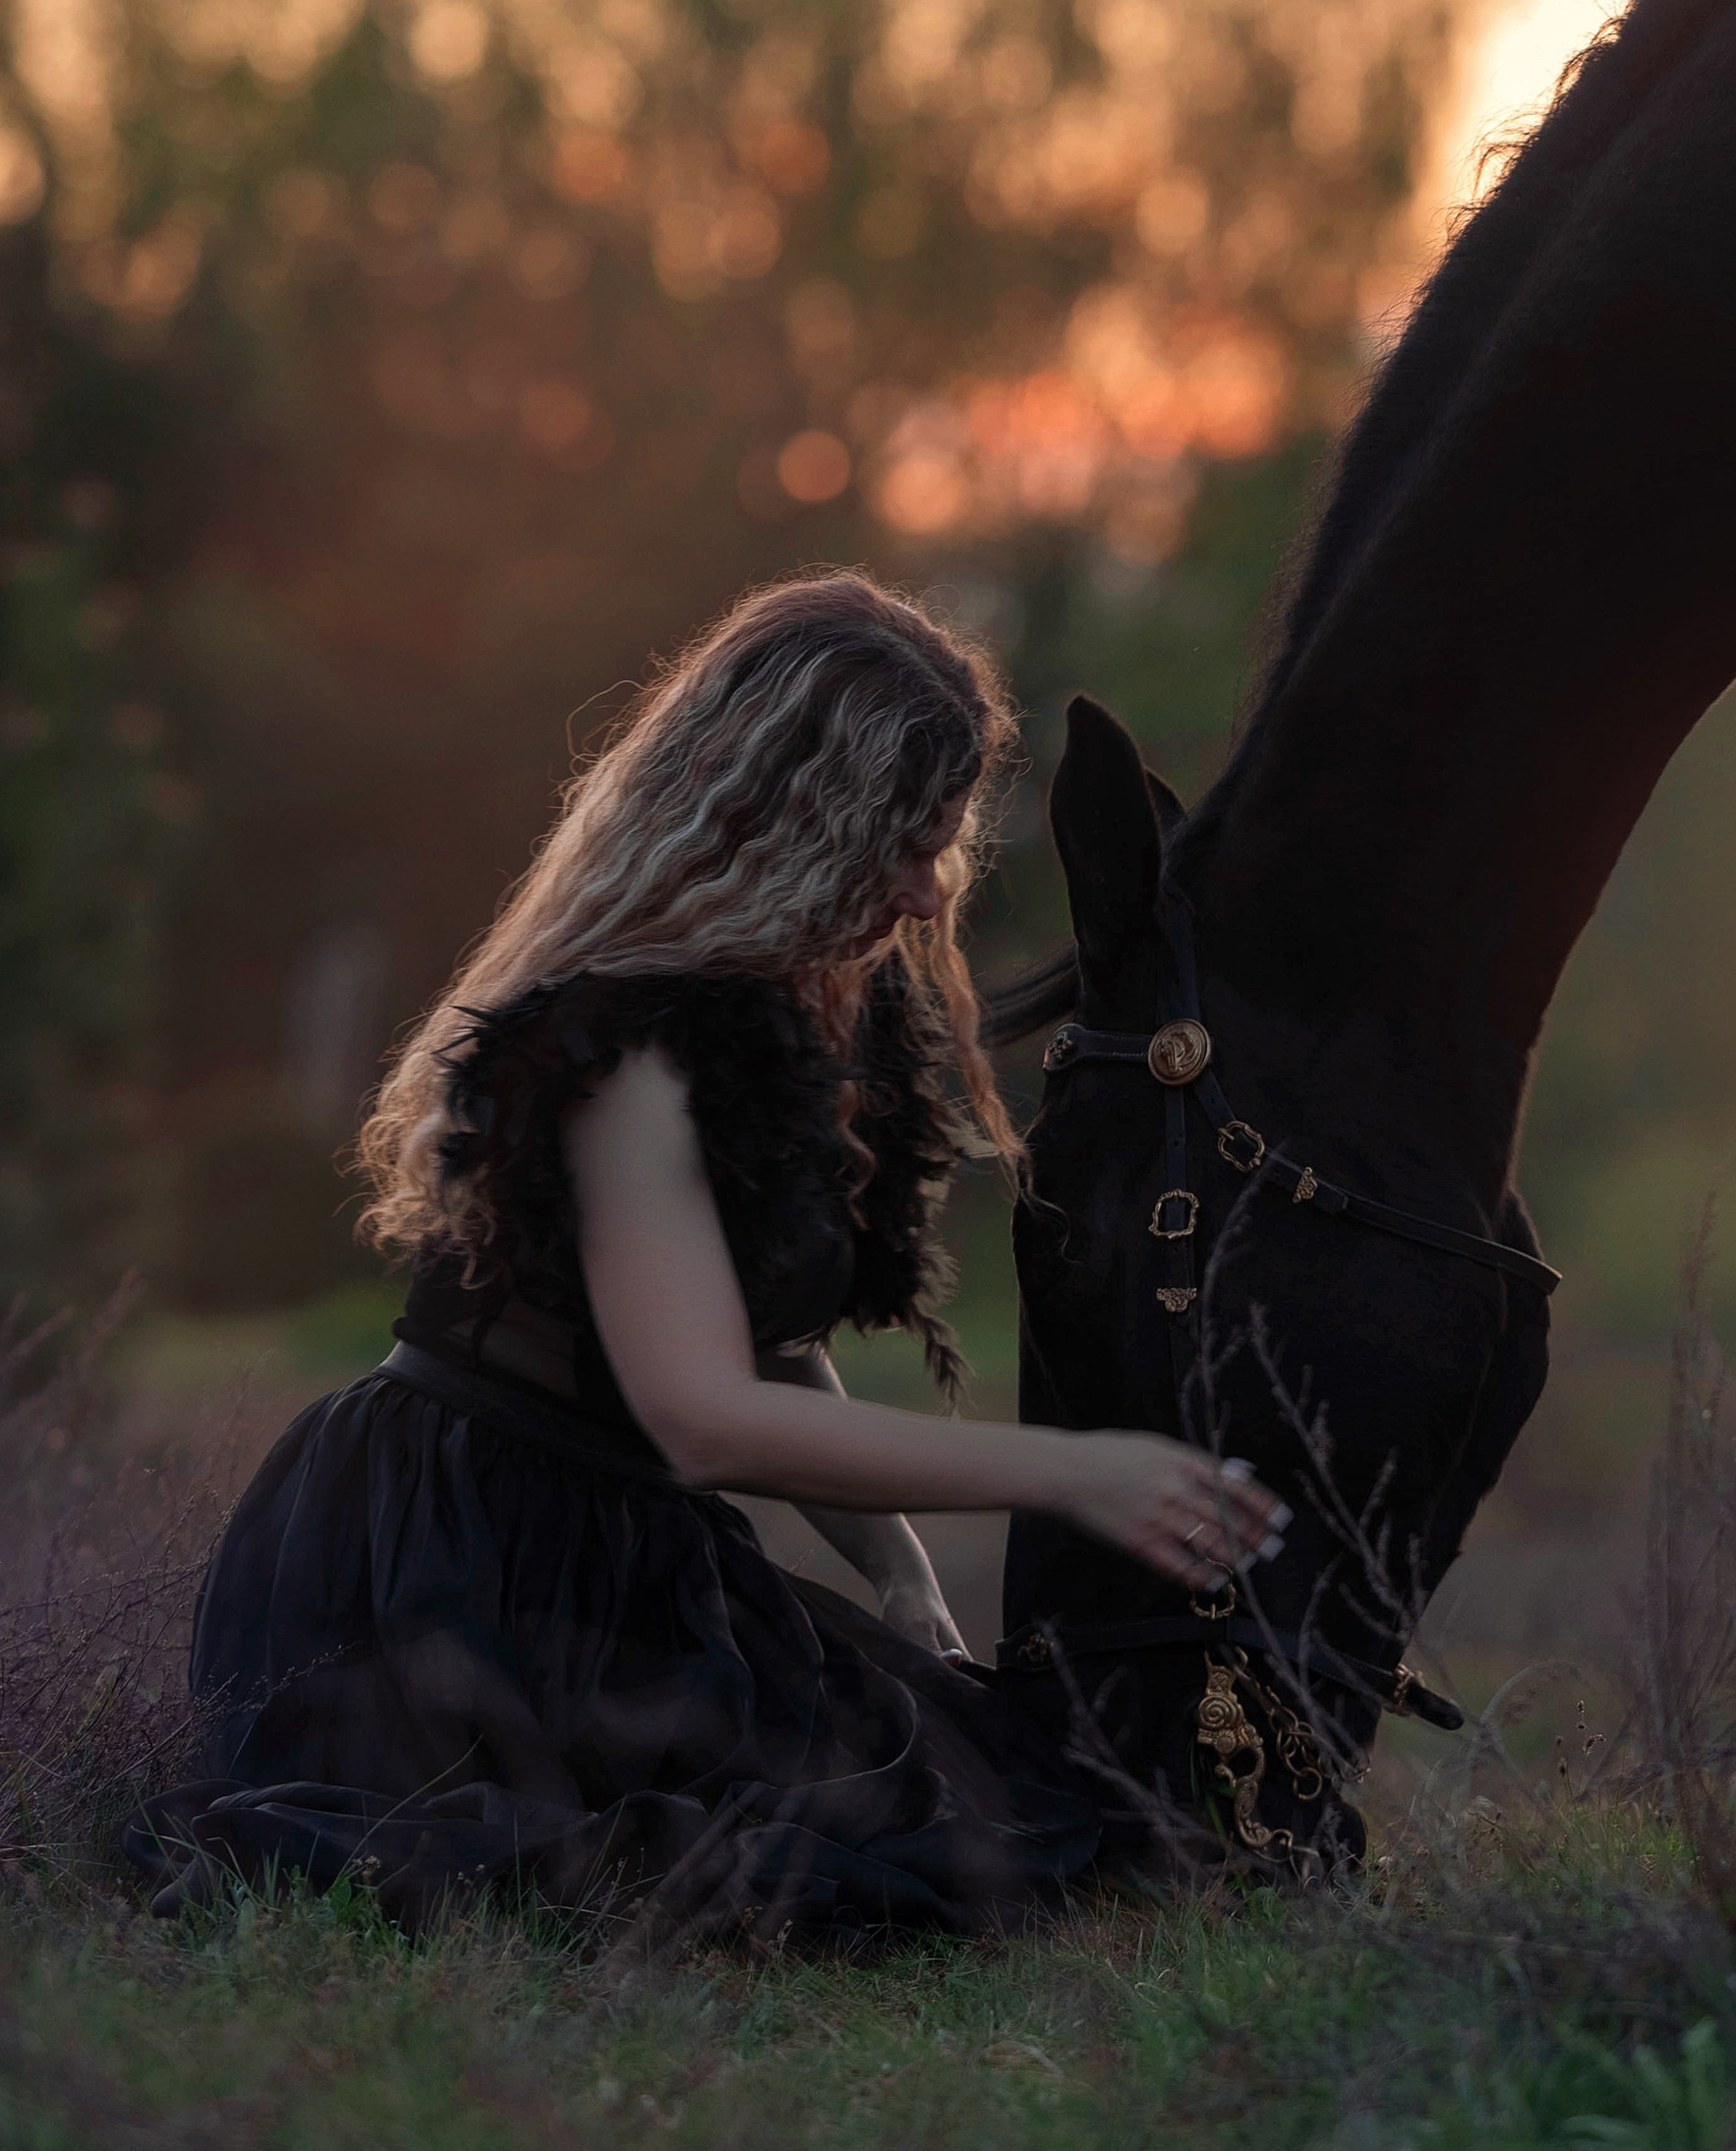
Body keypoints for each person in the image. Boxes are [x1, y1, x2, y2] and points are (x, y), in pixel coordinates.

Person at [126, 572, 1282, 1949]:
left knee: (1029, 1803)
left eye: (944, 843)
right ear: (785, 824)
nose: (927, 893)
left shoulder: (771, 1021)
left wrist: (899, 1571)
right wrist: (1080, 1469)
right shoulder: (623, 1050)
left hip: (614, 1543)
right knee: (852, 1859)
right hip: (453, 1560)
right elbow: (702, 1414)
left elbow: (767, 1338)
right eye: (900, 844)